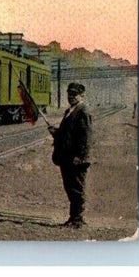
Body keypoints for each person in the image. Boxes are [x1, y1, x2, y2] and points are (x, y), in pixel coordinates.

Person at [47, 82, 93, 228]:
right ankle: (73, 218)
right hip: (67, 158)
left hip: (76, 160)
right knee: (70, 188)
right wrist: (56, 132)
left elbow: (86, 138)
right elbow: (68, 134)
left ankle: (78, 220)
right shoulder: (70, 111)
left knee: (77, 189)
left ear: (82, 95)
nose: (71, 96)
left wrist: (80, 157)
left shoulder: (83, 112)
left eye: (75, 94)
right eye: (70, 94)